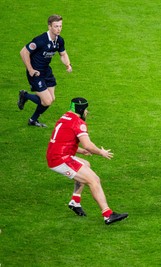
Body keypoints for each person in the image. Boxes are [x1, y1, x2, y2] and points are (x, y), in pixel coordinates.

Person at [46, 97, 128, 225]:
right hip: (61, 159)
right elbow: (88, 145)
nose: (87, 112)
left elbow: (61, 141)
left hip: (55, 155)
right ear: (81, 109)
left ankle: (75, 201)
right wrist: (101, 152)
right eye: (85, 109)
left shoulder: (65, 117)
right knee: (94, 180)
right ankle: (108, 215)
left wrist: (79, 151)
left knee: (85, 165)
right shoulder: (78, 123)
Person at [17, 14, 73, 127]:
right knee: (47, 101)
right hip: (36, 73)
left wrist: (68, 64)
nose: (59, 29)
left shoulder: (59, 41)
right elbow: (23, 52)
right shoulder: (40, 40)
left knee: (51, 99)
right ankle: (25, 95)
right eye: (56, 26)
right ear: (49, 27)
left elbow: (63, 54)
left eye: (60, 26)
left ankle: (32, 120)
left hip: (47, 72)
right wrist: (30, 69)